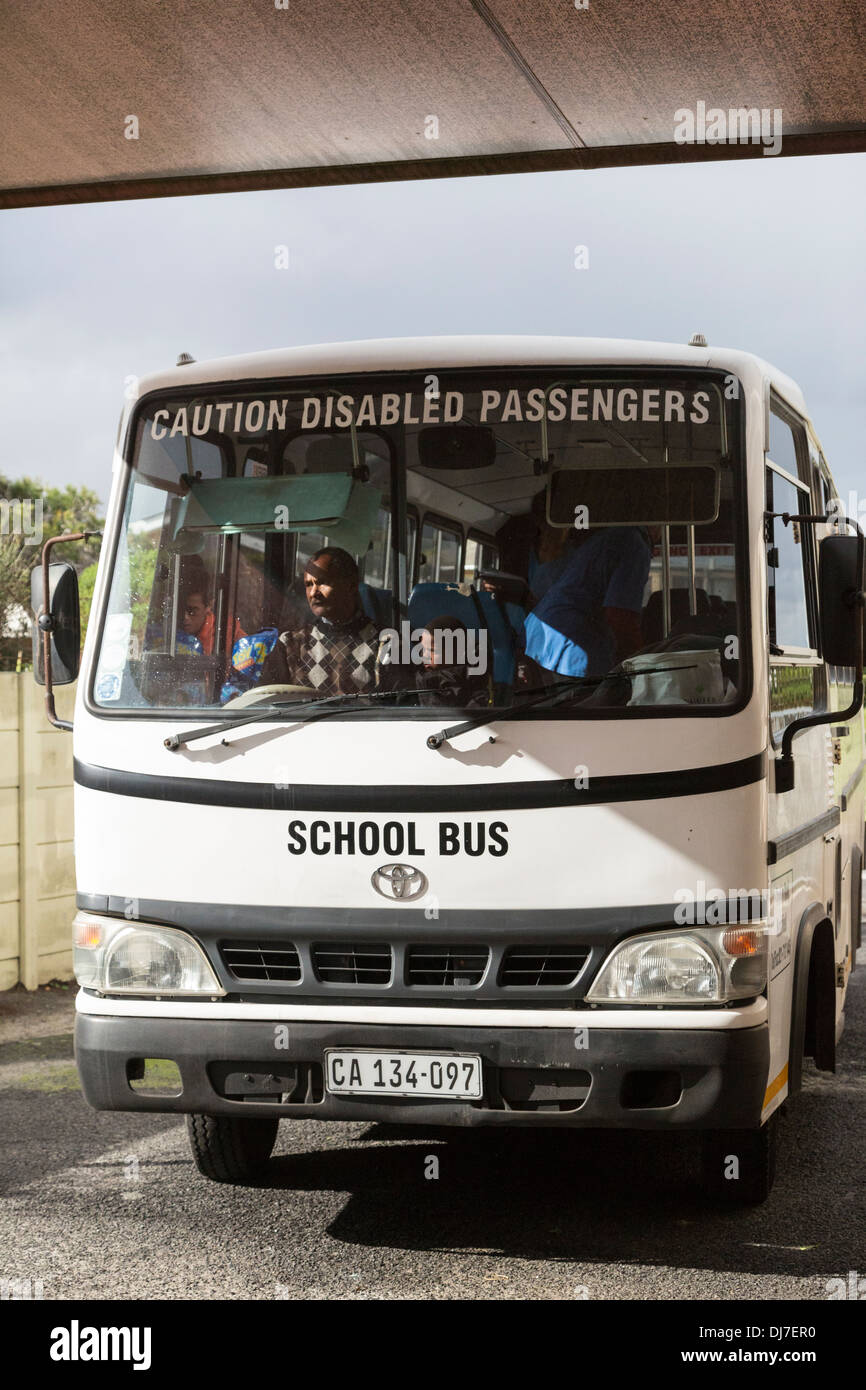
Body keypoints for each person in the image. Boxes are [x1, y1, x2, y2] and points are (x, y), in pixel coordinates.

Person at [524, 525, 653, 680]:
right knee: (583, 701)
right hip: (574, 644)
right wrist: (645, 668)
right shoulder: (635, 544)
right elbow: (620, 617)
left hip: (542, 635)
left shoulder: (608, 538)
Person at [259, 546, 390, 696]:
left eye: (322, 582)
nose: (314, 593)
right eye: (309, 585)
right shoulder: (289, 644)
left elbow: (400, 710)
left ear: (351, 586)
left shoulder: (385, 644)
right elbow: (263, 704)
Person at [413, 616, 489, 707]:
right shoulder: (414, 677)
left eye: (433, 650)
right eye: (423, 649)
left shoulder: (474, 688)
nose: (425, 655)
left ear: (457, 653)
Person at [179, 586, 245, 656]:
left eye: (192, 611)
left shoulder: (233, 637)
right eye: (181, 611)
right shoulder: (171, 632)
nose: (185, 617)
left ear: (207, 608)